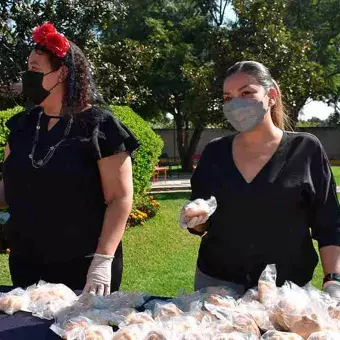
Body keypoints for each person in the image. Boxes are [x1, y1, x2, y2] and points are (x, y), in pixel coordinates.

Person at [180, 61, 340, 299]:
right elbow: (202, 222)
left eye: (246, 93)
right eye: (228, 98)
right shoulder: (215, 152)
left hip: (286, 290)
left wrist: (333, 281)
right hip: (216, 286)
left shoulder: (305, 150)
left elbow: (329, 226)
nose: (236, 104)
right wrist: (195, 219)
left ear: (271, 96)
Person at [0, 22, 139, 295]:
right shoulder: (20, 127)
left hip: (83, 266)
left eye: (35, 68)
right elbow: (9, 187)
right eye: (28, 67)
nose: (28, 75)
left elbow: (120, 198)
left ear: (62, 72)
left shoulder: (101, 127)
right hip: (26, 262)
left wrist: (102, 261)